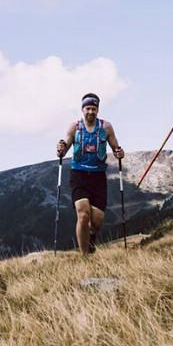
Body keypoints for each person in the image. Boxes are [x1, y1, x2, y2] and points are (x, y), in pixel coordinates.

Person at [56, 93, 125, 255]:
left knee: (97, 222)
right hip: (78, 174)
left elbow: (116, 149)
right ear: (82, 110)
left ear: (98, 110)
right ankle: (85, 257)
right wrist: (60, 149)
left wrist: (119, 153)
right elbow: (64, 149)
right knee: (83, 213)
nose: (90, 112)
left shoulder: (106, 127)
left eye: (94, 108)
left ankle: (90, 243)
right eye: (87, 108)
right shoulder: (74, 128)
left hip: (98, 177)